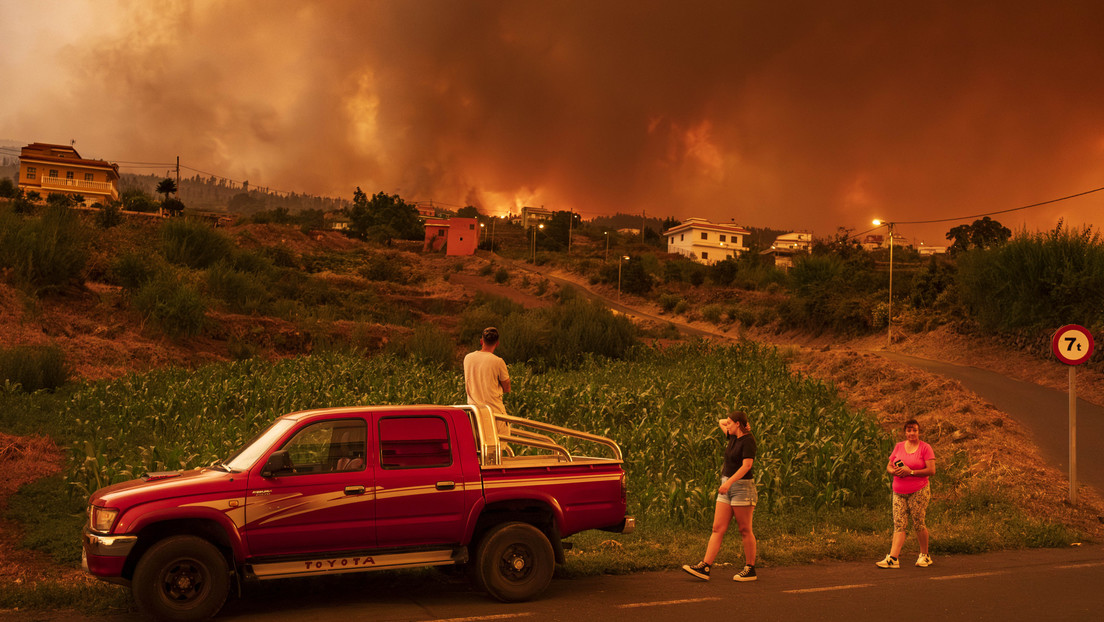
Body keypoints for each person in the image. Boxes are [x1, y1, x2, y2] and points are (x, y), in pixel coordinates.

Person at [682, 410, 758, 582]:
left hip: (742, 488)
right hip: (727, 486)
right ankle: (705, 566)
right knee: (717, 528)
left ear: (737, 425)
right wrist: (739, 422)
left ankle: (750, 568)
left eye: (731, 423)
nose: (727, 425)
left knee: (744, 529)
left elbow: (746, 466)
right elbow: (720, 421)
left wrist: (729, 483)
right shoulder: (732, 436)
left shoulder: (748, 441)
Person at [876, 418, 936, 569]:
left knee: (918, 522)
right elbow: (889, 466)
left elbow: (931, 470)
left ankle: (925, 555)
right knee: (899, 524)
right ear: (905, 432)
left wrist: (911, 472)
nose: (912, 433)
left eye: (914, 430)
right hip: (898, 491)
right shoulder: (899, 447)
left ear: (918, 431)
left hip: (918, 491)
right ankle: (893, 558)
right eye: (909, 430)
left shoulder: (925, 448)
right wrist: (894, 471)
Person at [463, 327, 511, 435]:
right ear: (497, 343)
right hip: (494, 413)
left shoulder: (468, 358)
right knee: (499, 447)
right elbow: (507, 387)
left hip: (474, 414)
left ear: (481, 341)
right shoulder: (498, 362)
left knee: (478, 448)